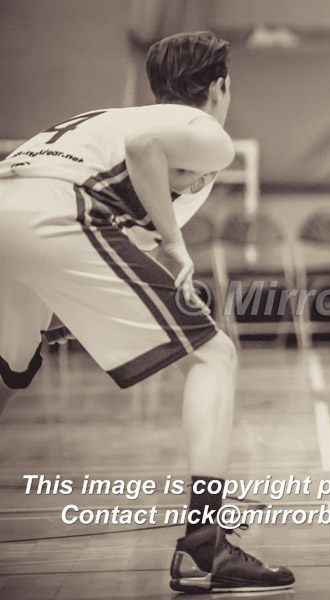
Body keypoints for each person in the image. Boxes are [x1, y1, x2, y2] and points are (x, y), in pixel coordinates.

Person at [0, 32, 294, 592]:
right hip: (60, 213)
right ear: (220, 86)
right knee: (213, 355)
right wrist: (175, 244)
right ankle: (205, 544)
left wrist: (68, 301)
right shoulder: (203, 131)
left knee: (8, 373)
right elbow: (144, 149)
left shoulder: (105, 117)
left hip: (11, 206)